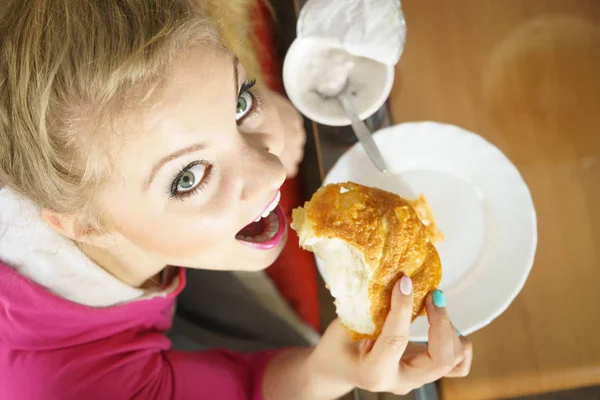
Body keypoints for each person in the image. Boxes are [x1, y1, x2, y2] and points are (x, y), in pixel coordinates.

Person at [0, 1, 473, 399]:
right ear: (83, 225)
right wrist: (324, 373)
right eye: (187, 177)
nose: (271, 170)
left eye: (240, 101)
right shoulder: (81, 384)